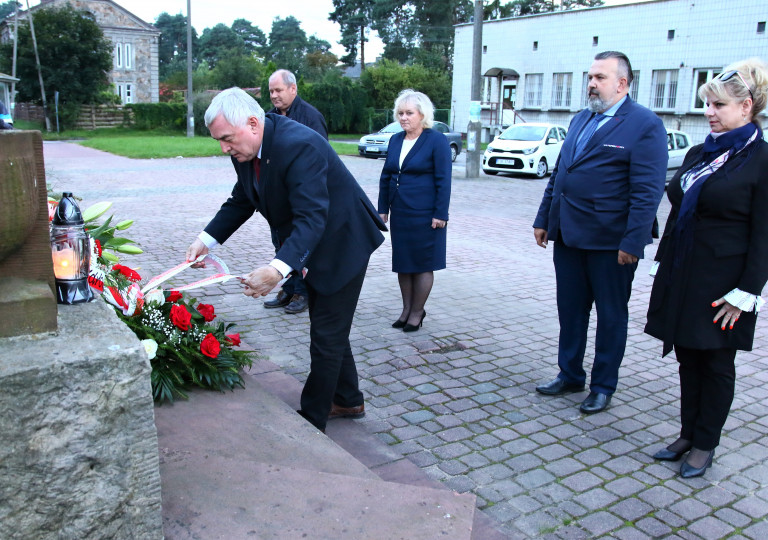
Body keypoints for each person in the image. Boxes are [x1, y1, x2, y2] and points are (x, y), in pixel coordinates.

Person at [185, 87, 386, 432]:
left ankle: (312, 421)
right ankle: (349, 399)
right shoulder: (246, 149)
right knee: (330, 329)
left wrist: (276, 269)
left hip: (342, 241)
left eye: (227, 139)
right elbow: (242, 199)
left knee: (326, 335)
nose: (224, 148)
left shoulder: (299, 145)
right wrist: (207, 240)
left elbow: (312, 218)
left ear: (252, 122)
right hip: (310, 244)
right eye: (219, 141)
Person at [645, 59, 768, 478]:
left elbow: (764, 233)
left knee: (716, 364)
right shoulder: (702, 152)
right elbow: (680, 207)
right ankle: (686, 433)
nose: (708, 113)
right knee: (687, 358)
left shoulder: (761, 160)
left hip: (725, 286)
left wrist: (747, 292)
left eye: (717, 105)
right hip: (684, 274)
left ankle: (705, 444)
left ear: (746, 107)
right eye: (707, 104)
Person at [532, 51, 668, 414]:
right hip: (570, 236)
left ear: (622, 84)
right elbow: (561, 174)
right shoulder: (580, 119)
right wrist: (544, 218)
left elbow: (647, 191)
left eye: (600, 77)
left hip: (612, 243)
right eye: (590, 76)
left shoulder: (645, 124)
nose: (591, 83)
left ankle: (603, 384)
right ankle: (569, 373)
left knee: (611, 315)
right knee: (571, 311)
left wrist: (634, 240)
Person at [377, 89, 451, 332]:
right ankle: (406, 309)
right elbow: (387, 175)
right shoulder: (396, 140)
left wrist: (441, 214)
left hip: (426, 214)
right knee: (404, 263)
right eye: (400, 113)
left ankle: (417, 312)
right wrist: (382, 207)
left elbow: (444, 180)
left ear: (423, 115)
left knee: (422, 264)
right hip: (401, 212)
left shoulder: (436, 141)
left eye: (409, 113)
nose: (403, 117)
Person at [261, 69, 328, 314]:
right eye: (271, 91)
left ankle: (303, 291)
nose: (274, 96)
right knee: (281, 243)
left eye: (278, 90)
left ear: (293, 89)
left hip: (302, 193)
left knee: (301, 243)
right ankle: (289, 287)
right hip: (278, 194)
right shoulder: (268, 117)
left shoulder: (311, 116)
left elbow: (322, 156)